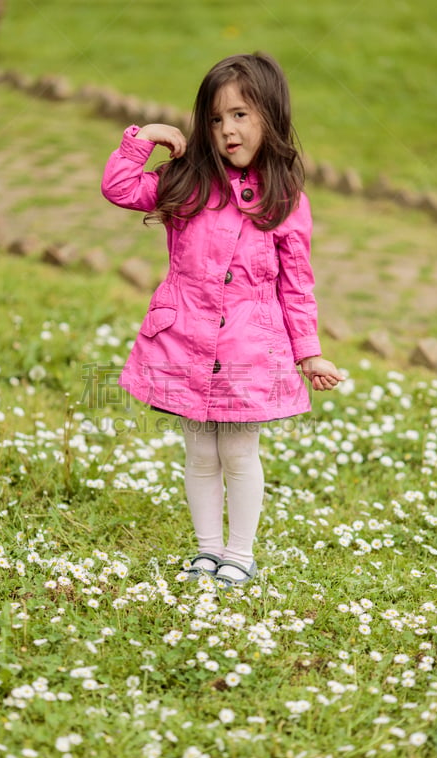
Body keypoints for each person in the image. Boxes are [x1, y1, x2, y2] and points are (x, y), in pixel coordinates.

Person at [101, 52, 344, 589]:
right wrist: (145, 137)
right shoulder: (187, 184)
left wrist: (308, 352)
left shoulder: (284, 200)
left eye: (240, 115)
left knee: (238, 450)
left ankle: (239, 553)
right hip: (186, 339)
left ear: (270, 119)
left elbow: (296, 283)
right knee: (200, 451)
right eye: (215, 119)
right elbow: (119, 188)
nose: (227, 130)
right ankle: (207, 551)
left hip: (248, 350)